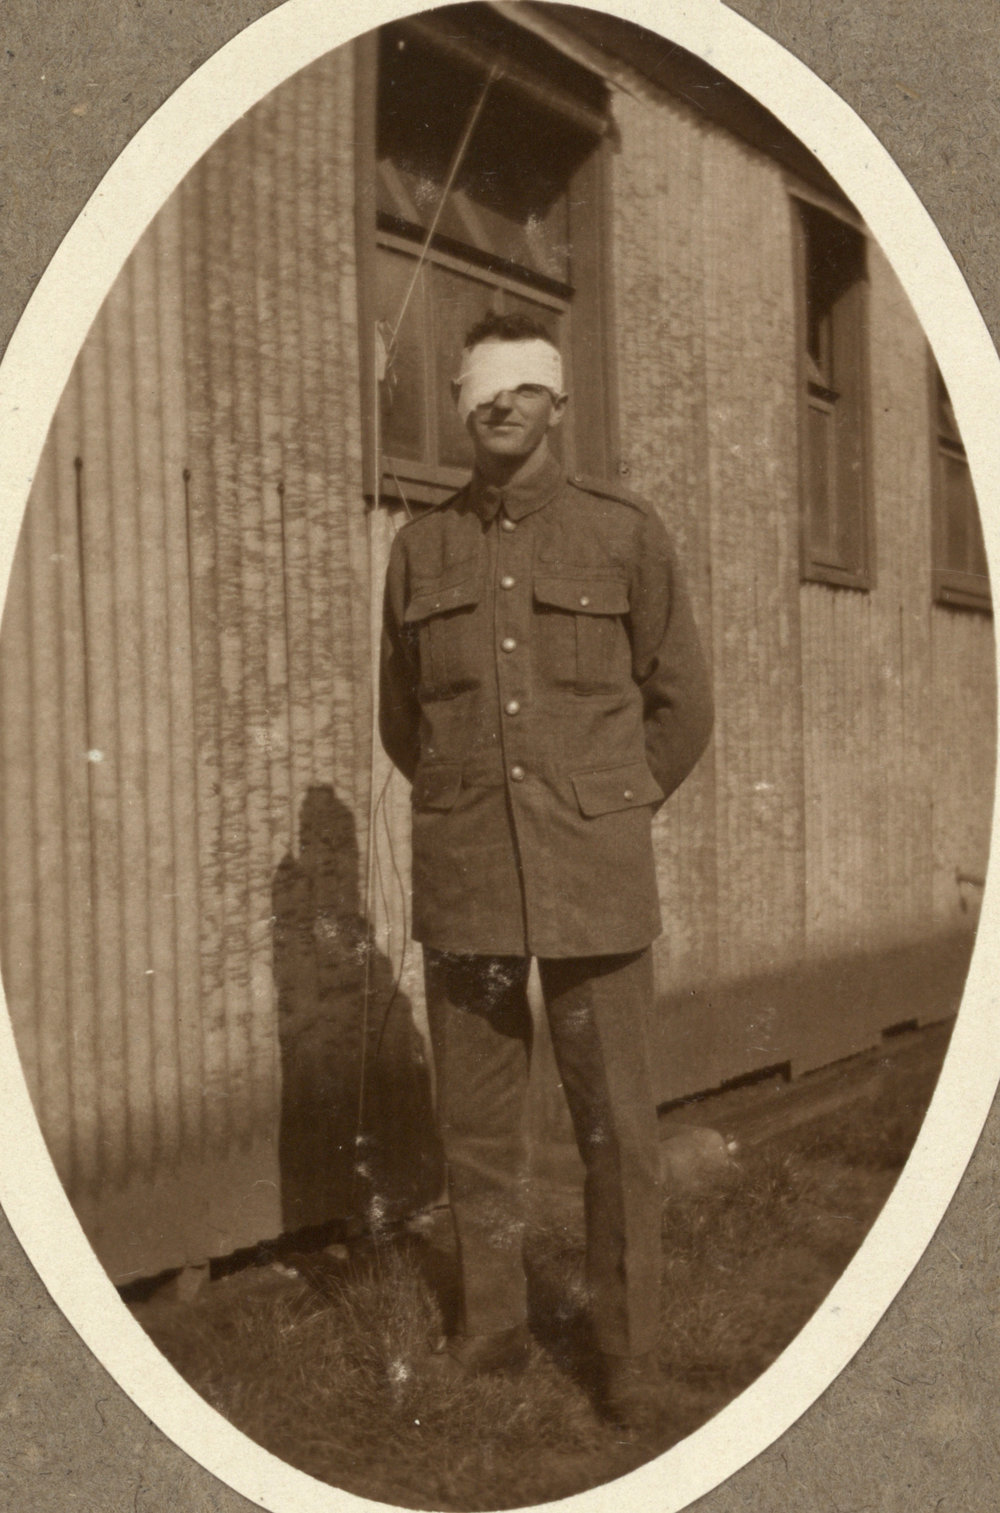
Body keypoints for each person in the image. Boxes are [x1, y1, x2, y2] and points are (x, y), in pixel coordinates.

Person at [378, 310, 714, 1429]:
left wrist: (607, 806)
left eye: (523, 387)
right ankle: (491, 1326)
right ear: (463, 404)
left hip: (593, 875)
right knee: (476, 1120)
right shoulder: (420, 549)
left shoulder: (625, 533)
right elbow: (403, 721)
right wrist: (477, 803)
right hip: (468, 873)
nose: (500, 404)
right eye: (481, 388)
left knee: (615, 1120)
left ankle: (629, 1352)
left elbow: (682, 705)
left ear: (558, 403)